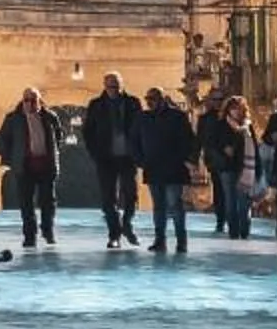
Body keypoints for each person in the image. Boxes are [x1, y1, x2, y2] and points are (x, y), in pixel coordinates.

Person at [82, 72, 143, 248]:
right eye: (110, 86)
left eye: (116, 86)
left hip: (128, 156)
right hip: (105, 158)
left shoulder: (133, 103)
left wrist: (139, 151)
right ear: (105, 86)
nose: (113, 90)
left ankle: (127, 224)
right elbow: (88, 131)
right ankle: (114, 234)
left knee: (131, 194)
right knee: (108, 198)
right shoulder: (96, 105)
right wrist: (95, 152)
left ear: (122, 86)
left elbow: (140, 127)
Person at [0, 86, 62, 246]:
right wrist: (9, 159)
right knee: (26, 203)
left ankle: (48, 231)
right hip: (24, 166)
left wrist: (52, 154)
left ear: (39, 101)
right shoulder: (13, 119)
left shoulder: (50, 117)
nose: (30, 104)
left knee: (48, 202)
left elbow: (58, 136)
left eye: (33, 100)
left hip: (46, 166)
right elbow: (3, 139)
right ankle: (29, 236)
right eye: (27, 100)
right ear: (22, 101)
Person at [140, 86, 198, 256]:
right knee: (158, 206)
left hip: (174, 169)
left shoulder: (177, 117)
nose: (150, 102)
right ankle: (160, 240)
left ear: (162, 100)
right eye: (148, 99)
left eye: (153, 99)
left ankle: (181, 241)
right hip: (153, 168)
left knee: (175, 205)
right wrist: (141, 160)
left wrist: (185, 159)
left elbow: (189, 140)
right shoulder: (143, 118)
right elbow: (134, 140)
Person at [209, 92, 257, 241]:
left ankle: (244, 229)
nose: (236, 111)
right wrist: (224, 148)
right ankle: (233, 231)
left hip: (245, 167)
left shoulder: (247, 126)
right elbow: (212, 143)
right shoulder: (221, 125)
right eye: (233, 108)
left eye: (239, 108)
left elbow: (254, 146)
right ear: (228, 109)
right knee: (230, 200)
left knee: (244, 202)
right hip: (227, 167)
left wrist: (258, 168)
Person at [195, 95, 231, 236]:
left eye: (220, 99)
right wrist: (194, 159)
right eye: (214, 99)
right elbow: (199, 140)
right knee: (219, 191)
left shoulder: (231, 117)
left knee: (230, 192)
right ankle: (221, 220)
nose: (217, 102)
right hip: (214, 161)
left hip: (232, 160)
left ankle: (232, 220)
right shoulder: (204, 119)